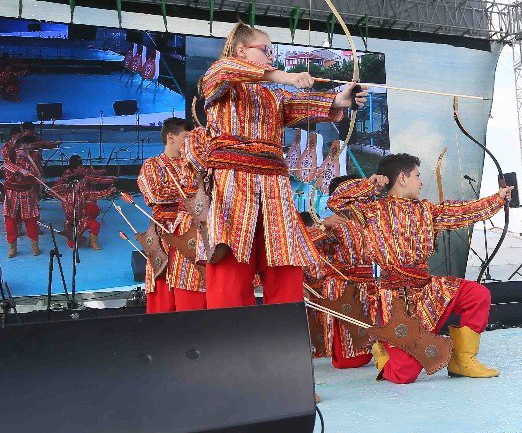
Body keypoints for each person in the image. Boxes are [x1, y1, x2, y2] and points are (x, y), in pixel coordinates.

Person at [196, 22, 366, 309]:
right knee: (230, 274)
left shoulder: (273, 96)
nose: (271, 56)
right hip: (233, 189)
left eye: (272, 51)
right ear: (241, 51)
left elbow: (301, 105)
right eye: (265, 50)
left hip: (275, 191)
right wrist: (285, 76)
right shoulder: (219, 77)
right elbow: (225, 70)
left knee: (284, 267)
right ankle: (228, 344)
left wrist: (338, 99)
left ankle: (286, 339)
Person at [356, 152, 512, 384]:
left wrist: (498, 198)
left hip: (428, 290)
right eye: (417, 176)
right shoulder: (370, 210)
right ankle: (384, 349)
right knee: (403, 376)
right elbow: (337, 201)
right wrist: (368, 184)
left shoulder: (426, 211)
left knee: (477, 294)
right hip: (396, 300)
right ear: (402, 178)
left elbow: (463, 212)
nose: (420, 182)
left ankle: (462, 360)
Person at [305, 174, 385, 368]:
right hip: (343, 289)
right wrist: (323, 226)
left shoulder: (369, 220)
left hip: (370, 285)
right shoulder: (332, 222)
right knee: (351, 359)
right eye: (357, 194)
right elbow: (303, 244)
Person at [137, 118, 207, 313]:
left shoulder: (196, 165)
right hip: (164, 236)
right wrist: (192, 190)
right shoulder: (153, 165)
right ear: (171, 137)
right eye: (186, 137)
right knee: (163, 296)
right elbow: (155, 193)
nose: (190, 144)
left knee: (194, 290)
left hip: (192, 235)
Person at [2, 132, 56, 257]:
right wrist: (21, 170)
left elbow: (37, 173)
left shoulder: (32, 157)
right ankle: (12, 247)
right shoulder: (10, 159)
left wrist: (38, 178)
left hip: (27, 193)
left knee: (31, 220)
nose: (27, 151)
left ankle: (35, 246)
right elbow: (6, 165)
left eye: (28, 148)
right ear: (16, 149)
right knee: (10, 222)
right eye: (23, 149)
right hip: (12, 194)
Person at [52, 156, 116, 250]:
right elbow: (51, 190)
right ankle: (73, 237)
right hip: (71, 223)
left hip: (83, 219)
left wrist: (110, 190)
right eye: (78, 183)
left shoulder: (83, 193)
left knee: (95, 223)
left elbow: (97, 193)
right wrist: (64, 184)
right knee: (72, 245)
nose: (81, 184)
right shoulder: (64, 195)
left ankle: (92, 242)